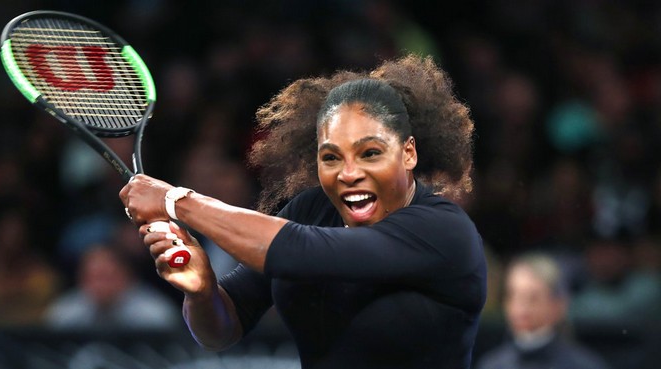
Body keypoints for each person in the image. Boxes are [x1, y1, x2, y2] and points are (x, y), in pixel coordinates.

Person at [120, 54, 487, 368]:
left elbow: (293, 251)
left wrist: (175, 200)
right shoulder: (311, 209)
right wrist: (202, 292)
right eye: (331, 157)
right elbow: (220, 332)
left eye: (370, 153)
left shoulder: (442, 230)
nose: (348, 173)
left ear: (408, 153)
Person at [476, 253, 609, 369]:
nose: (521, 307)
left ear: (558, 304)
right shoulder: (491, 364)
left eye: (533, 298)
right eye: (513, 296)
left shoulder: (584, 365)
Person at [44, 243, 180, 332]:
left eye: (107, 277)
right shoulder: (63, 314)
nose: (100, 285)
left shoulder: (155, 315)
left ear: (129, 277)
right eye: (93, 277)